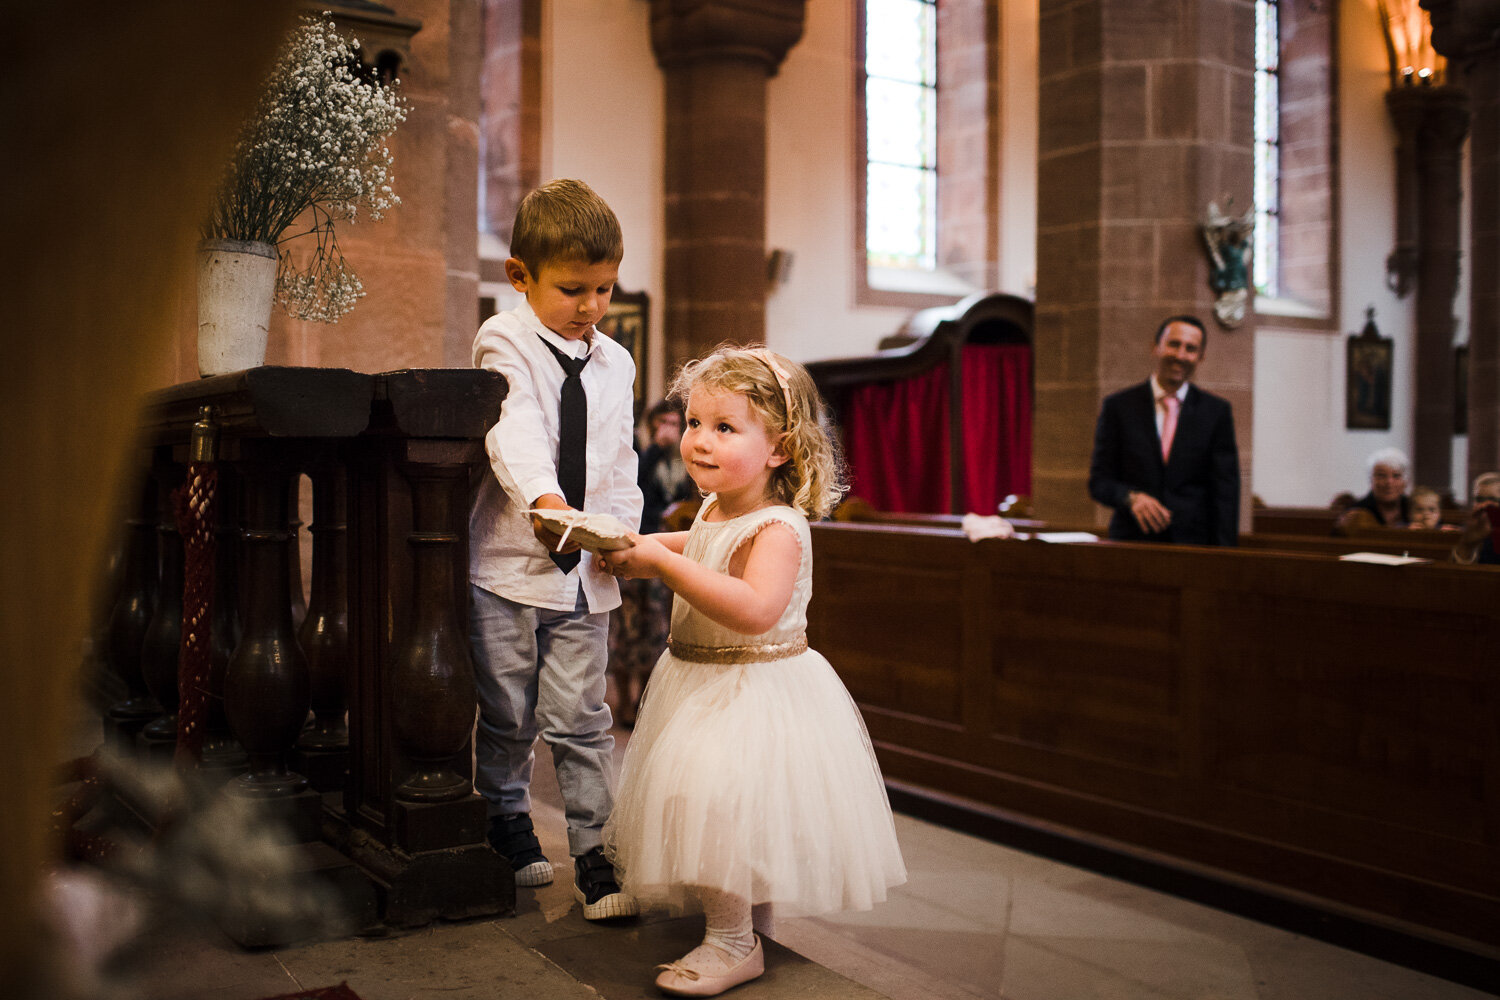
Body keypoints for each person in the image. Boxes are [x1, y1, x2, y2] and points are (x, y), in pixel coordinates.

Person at [599, 346, 907, 997]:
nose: (698, 441)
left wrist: (664, 565)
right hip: (699, 676)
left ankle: (735, 941)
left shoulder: (780, 528)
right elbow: (702, 544)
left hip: (753, 685)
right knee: (722, 809)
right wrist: (644, 545)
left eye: (724, 427)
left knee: (719, 804)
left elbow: (756, 609)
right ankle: (735, 924)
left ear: (780, 447)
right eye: (693, 423)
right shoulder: (716, 506)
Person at [467, 178, 643, 920]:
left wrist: (618, 530)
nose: (592, 307)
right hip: (511, 564)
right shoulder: (505, 337)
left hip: (583, 577)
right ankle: (507, 819)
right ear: (520, 277)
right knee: (507, 711)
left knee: (582, 716)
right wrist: (544, 501)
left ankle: (597, 853)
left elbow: (619, 459)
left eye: (605, 289)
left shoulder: (616, 364)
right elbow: (515, 428)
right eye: (573, 289)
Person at [1087, 315, 1241, 545]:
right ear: (1155, 347)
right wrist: (1131, 498)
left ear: (1201, 357)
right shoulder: (1119, 406)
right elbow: (1099, 482)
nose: (1180, 355)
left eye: (1190, 348)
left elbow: (1225, 493)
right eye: (1173, 344)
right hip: (1133, 542)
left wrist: (1225, 556)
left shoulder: (1215, 412)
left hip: (1193, 546)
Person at [608, 399, 695, 726]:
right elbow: (635, 492)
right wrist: (656, 450)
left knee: (656, 627)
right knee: (626, 626)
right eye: (663, 423)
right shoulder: (642, 457)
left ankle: (643, 697)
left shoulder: (685, 461)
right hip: (638, 544)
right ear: (652, 425)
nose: (670, 430)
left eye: (676, 423)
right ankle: (622, 700)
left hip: (668, 550)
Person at [1334, 448, 1411, 532]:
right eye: (1382, 476)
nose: (1389, 482)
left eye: (1396, 476)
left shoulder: (1414, 508)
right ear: (1371, 480)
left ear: (1405, 481)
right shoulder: (1356, 511)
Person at [1452, 472, 1500, 564]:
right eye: (1480, 500)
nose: (1484, 505)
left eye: (1493, 500)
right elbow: (1457, 574)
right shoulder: (1473, 528)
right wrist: (1467, 545)